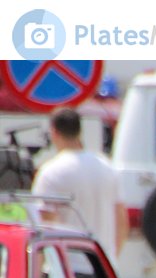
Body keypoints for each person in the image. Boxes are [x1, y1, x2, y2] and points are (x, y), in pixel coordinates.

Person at [30, 107, 125, 259]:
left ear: (54, 132)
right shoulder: (106, 167)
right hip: (103, 264)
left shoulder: (51, 172)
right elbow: (121, 219)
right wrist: (112, 258)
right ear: (80, 131)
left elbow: (44, 225)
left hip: (70, 264)